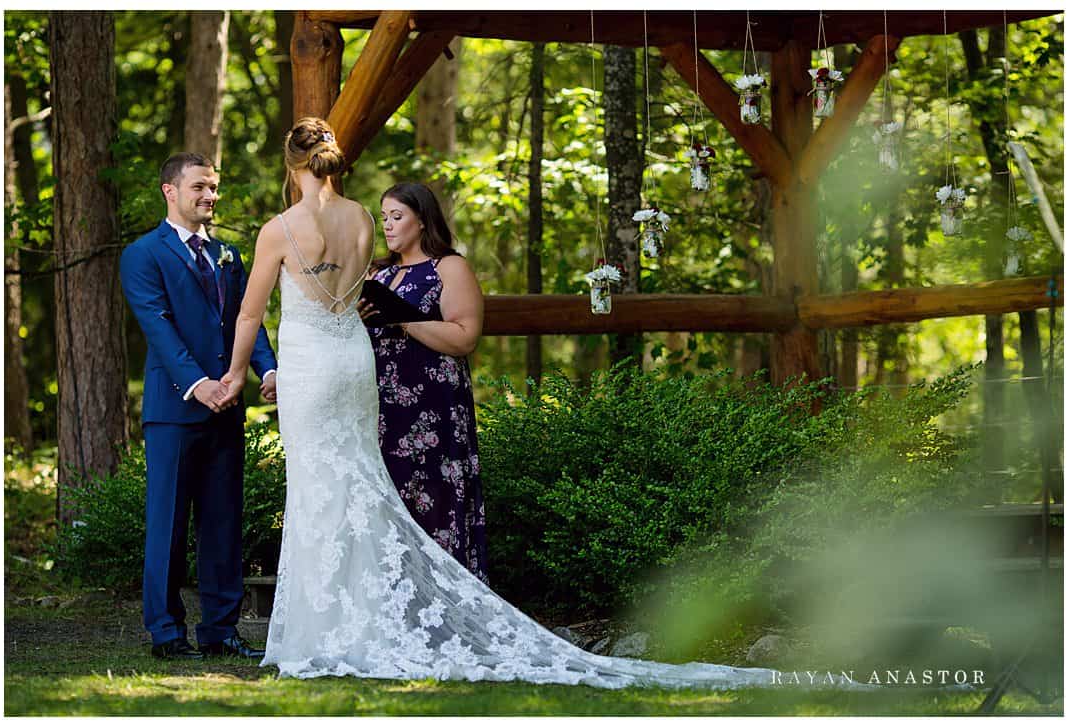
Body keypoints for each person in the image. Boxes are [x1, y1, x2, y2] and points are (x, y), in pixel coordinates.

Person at [217, 117, 776, 687]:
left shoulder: (279, 228)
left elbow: (249, 312)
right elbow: (357, 294)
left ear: (291, 165)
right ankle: (362, 622)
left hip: (313, 363)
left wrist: (238, 373)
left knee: (319, 490)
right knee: (362, 482)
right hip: (353, 362)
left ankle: (324, 630)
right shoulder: (361, 218)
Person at [120, 152, 278, 660]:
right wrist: (200, 384)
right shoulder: (143, 254)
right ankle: (166, 633)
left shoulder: (228, 255)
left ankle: (221, 630)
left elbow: (244, 322)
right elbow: (158, 327)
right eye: (199, 187)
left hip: (227, 409)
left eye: (213, 187)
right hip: (174, 409)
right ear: (170, 190)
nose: (209, 195)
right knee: (167, 523)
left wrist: (268, 369)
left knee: (223, 520)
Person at [356, 183, 488, 583]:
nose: (389, 226)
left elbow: (465, 336)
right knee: (389, 501)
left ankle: (445, 601)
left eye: (397, 216)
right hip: (384, 408)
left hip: (434, 408)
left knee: (435, 499)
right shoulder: (382, 273)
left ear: (422, 219)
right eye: (385, 217)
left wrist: (404, 321)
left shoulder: (448, 266)